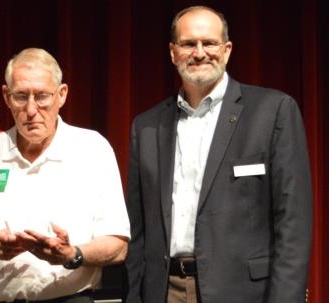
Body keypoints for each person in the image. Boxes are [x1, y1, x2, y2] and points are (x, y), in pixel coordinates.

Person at [125, 5, 312, 303]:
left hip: (246, 293)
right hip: (164, 291)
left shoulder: (273, 111)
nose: (199, 52)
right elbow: (138, 231)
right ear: (173, 52)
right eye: (188, 44)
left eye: (209, 43)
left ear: (227, 50)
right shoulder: (146, 127)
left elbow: (293, 223)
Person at [0, 48, 130, 303]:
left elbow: (117, 244)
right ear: (6, 97)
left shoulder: (92, 149)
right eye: (21, 96)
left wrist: (72, 254)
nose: (31, 110)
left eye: (41, 96)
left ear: (62, 95)